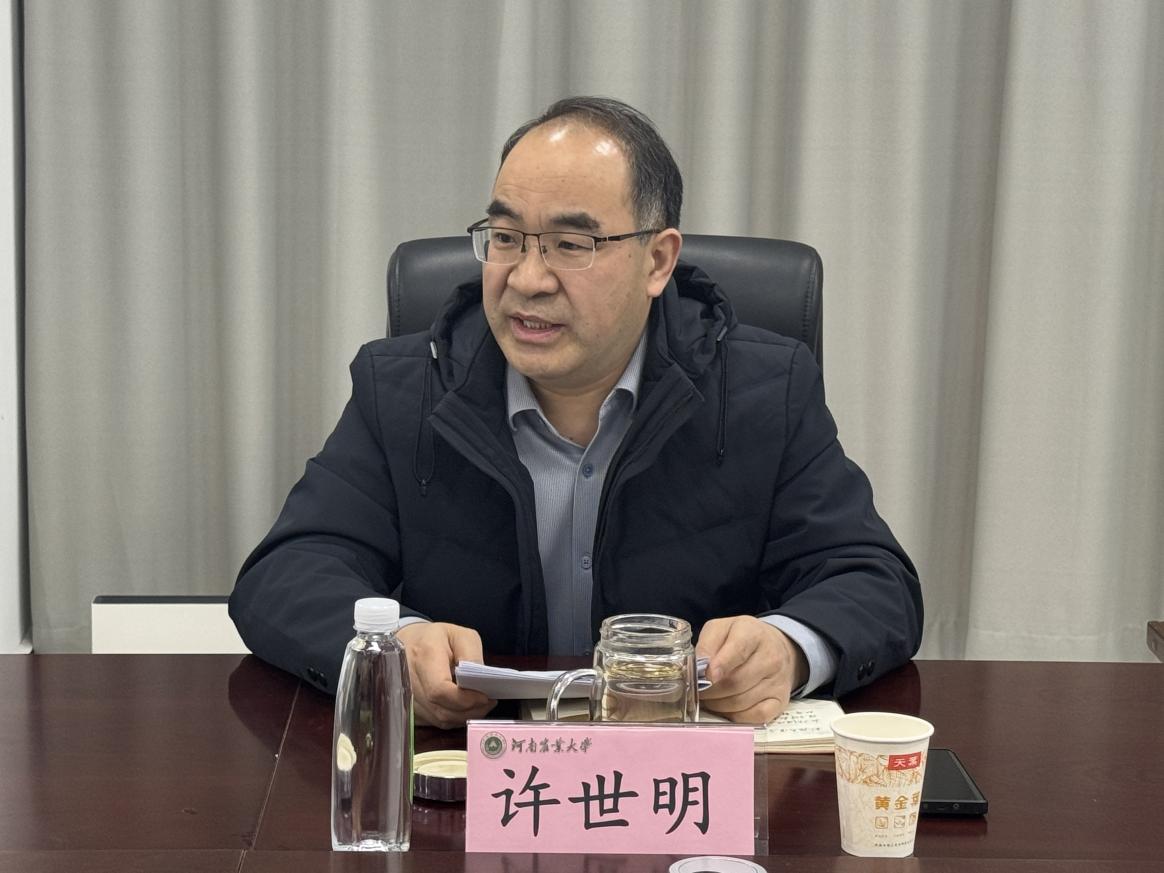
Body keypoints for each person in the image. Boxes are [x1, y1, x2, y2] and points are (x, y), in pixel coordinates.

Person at [229, 96, 922, 729]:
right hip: (467, 781)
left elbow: (872, 580)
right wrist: (395, 646)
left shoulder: (764, 389)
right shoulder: (405, 388)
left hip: (677, 780)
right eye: (506, 237)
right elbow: (287, 574)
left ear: (658, 261)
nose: (527, 278)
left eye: (572, 245)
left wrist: (790, 650)